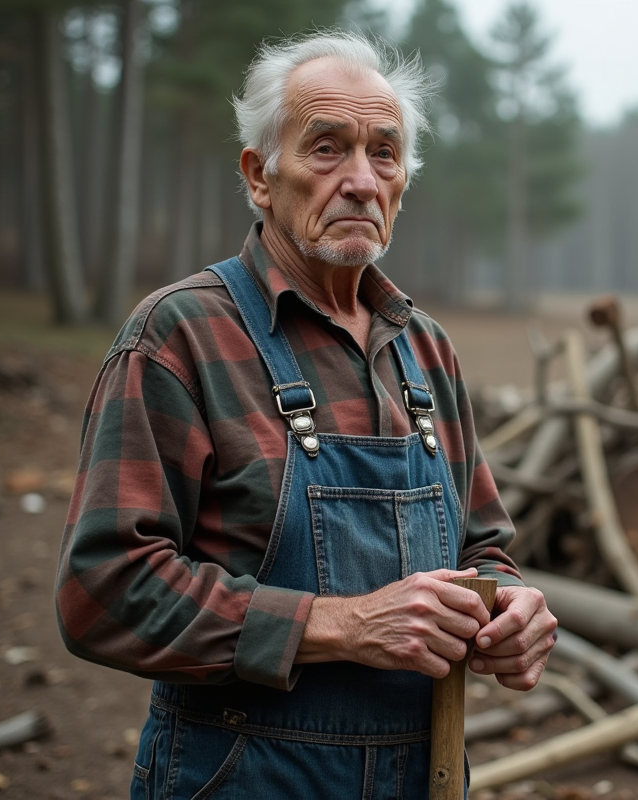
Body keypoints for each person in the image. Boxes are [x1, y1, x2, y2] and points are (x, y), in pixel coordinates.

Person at [55, 30, 557, 799]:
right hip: (240, 776)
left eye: (384, 154)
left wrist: (509, 609)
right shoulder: (179, 336)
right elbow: (102, 592)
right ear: (260, 175)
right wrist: (340, 626)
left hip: (424, 775)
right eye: (327, 149)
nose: (361, 179)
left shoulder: (427, 350)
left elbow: (482, 548)